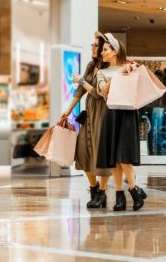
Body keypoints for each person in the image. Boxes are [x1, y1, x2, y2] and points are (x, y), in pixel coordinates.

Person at [96, 33, 147, 211]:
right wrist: (117, 76)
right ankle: (120, 197)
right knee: (114, 159)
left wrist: (128, 69)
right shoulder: (101, 72)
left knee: (123, 155)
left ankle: (133, 191)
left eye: (105, 49)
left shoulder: (129, 67)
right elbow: (102, 91)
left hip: (127, 113)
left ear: (115, 51)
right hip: (111, 112)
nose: (101, 52)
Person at [61, 31, 112, 209]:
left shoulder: (107, 69)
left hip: (102, 113)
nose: (92, 47)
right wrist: (67, 111)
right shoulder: (91, 65)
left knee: (101, 153)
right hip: (89, 112)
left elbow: (98, 94)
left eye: (95, 45)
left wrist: (82, 81)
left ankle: (102, 193)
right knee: (83, 150)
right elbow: (80, 91)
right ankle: (94, 188)